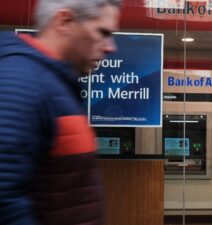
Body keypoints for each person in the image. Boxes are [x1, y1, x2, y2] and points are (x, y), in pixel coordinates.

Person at [0, 0, 122, 225]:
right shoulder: (21, 83)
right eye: (103, 32)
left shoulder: (57, 84)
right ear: (64, 21)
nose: (110, 47)